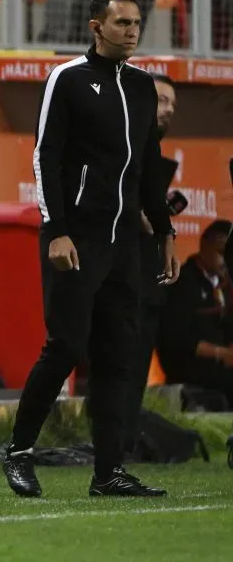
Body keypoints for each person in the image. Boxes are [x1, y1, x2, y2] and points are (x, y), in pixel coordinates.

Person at [4, 0, 177, 499]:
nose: (131, 31)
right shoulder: (68, 78)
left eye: (136, 23)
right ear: (95, 27)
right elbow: (46, 156)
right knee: (65, 349)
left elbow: (146, 170)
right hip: (76, 237)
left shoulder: (144, 87)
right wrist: (55, 227)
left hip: (125, 242)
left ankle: (108, 471)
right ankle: (18, 453)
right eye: (121, 22)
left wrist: (164, 231)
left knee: (119, 355)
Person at [125, 72, 178, 452]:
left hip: (148, 277)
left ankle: (124, 441)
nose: (168, 110)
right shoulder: (121, 148)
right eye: (161, 100)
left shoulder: (154, 154)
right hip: (120, 275)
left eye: (173, 104)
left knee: (138, 364)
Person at [158, 220, 233, 408]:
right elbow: (177, 338)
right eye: (222, 253)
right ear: (204, 246)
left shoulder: (226, 285)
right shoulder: (183, 283)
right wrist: (222, 353)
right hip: (192, 370)